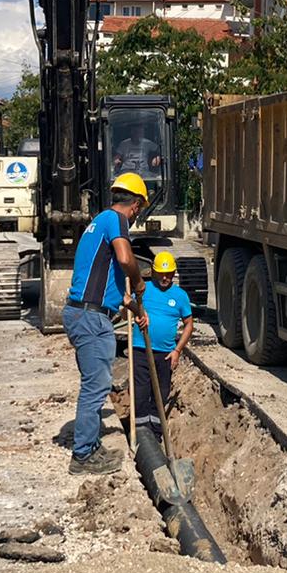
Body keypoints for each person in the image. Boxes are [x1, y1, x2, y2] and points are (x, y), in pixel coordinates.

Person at [62, 172, 149, 475]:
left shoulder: (97, 222)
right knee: (96, 386)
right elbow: (126, 259)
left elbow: (106, 281)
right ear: (136, 205)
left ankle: (89, 444)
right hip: (90, 317)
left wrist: (134, 306)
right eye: (139, 210)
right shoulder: (117, 220)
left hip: (83, 312)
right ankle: (83, 455)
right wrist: (138, 281)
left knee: (94, 383)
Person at [130, 252, 195, 442]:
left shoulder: (180, 296)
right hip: (141, 349)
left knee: (161, 393)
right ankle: (141, 434)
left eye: (168, 274)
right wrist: (136, 314)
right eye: (161, 274)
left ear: (174, 272)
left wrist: (177, 350)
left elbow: (189, 324)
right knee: (141, 392)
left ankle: (156, 435)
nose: (165, 278)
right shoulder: (144, 289)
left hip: (166, 354)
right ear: (153, 272)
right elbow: (130, 306)